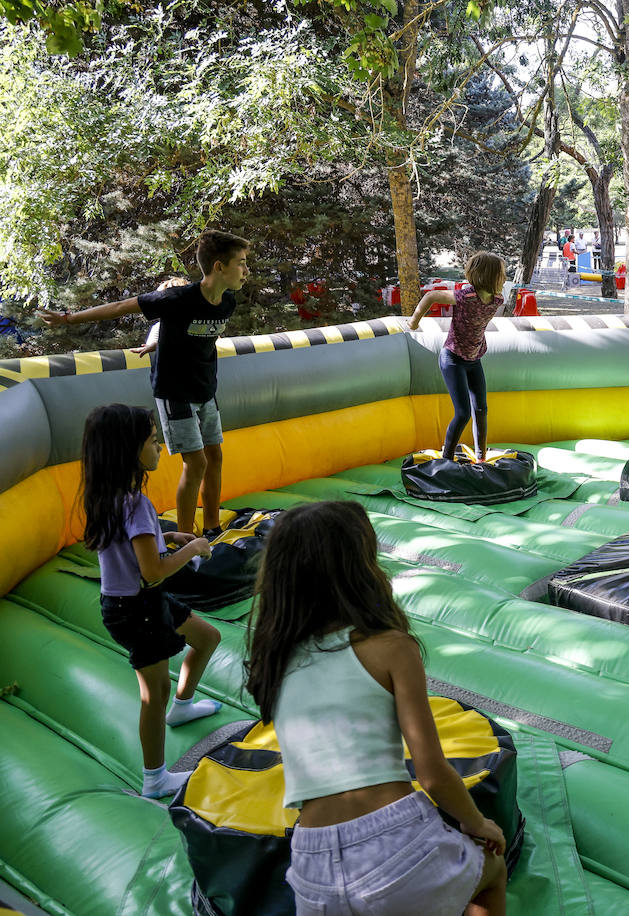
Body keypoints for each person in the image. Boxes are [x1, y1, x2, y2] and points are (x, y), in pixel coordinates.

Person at [244, 501, 507, 916]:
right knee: (490, 870)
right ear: (360, 568)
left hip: (311, 865)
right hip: (396, 841)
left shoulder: (275, 662)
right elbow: (432, 774)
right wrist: (477, 822)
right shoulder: (390, 647)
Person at [41, 231, 250, 538]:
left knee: (215, 457)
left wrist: (158, 342)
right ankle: (184, 538)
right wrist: (70, 319)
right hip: (175, 392)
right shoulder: (177, 298)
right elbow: (120, 307)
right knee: (196, 463)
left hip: (206, 389)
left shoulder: (227, 301)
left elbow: (188, 336)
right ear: (219, 267)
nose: (247, 271)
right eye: (241, 264)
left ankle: (211, 526)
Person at [80, 404, 222, 798]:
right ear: (128, 449)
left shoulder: (108, 495)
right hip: (138, 607)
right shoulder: (135, 503)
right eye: (152, 440)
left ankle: (184, 704)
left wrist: (169, 537)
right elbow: (153, 571)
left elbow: (137, 547)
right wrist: (193, 546)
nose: (159, 445)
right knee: (153, 693)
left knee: (207, 637)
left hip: (132, 602)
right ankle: (155, 778)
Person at [407, 253, 506, 463]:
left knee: (481, 408)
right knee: (462, 413)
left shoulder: (498, 299)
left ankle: (481, 457)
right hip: (452, 358)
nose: (505, 279)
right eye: (501, 275)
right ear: (488, 277)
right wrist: (414, 321)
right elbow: (431, 296)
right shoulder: (464, 296)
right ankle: (447, 459)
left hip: (474, 359)